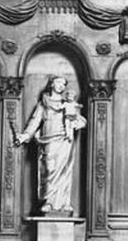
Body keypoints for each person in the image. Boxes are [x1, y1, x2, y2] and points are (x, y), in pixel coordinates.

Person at [15, 76, 86, 215]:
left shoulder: (68, 103)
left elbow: (80, 118)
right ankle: (49, 200)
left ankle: (64, 203)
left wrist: (79, 123)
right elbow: (35, 121)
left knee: (65, 170)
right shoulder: (44, 104)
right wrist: (25, 135)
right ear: (52, 84)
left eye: (64, 83)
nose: (61, 85)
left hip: (65, 139)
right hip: (49, 140)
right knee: (49, 168)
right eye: (58, 82)